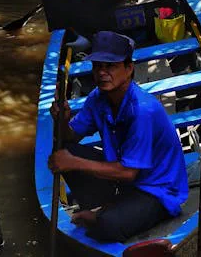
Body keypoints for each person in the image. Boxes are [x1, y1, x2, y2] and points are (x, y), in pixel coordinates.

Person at [49, 31, 189, 242]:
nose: (102, 73)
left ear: (129, 68)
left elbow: (128, 173)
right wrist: (62, 120)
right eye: (98, 66)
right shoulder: (98, 98)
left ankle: (102, 214)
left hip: (156, 191)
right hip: (126, 181)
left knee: (107, 226)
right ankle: (103, 207)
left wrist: (74, 163)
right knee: (65, 150)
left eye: (110, 66)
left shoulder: (142, 111)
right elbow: (70, 136)